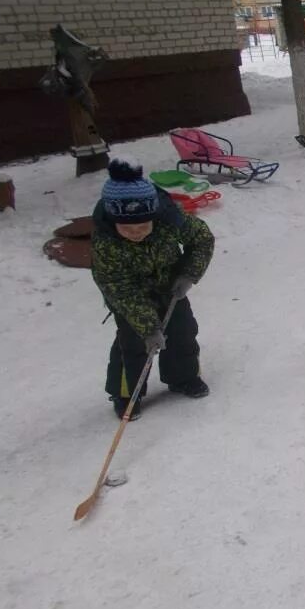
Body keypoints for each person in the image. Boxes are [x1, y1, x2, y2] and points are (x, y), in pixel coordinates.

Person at [91, 157, 214, 420]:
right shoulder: (105, 244)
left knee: (182, 333)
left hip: (171, 289)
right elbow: (118, 287)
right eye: (127, 228)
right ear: (113, 222)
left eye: (143, 226)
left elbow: (202, 239)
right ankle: (126, 393)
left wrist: (188, 274)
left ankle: (183, 377)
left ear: (154, 216)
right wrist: (148, 328)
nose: (136, 232)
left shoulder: (171, 220)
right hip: (130, 299)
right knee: (133, 345)